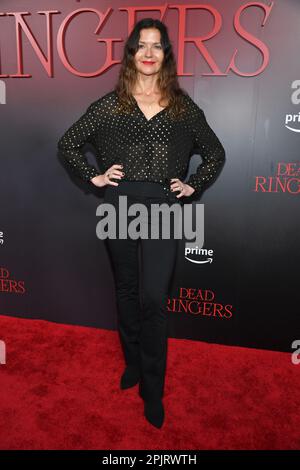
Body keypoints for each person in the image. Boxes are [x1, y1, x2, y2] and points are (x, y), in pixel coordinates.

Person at [57, 18, 226, 429]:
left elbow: (215, 153)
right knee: (128, 290)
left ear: (166, 54)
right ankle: (132, 361)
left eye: (156, 46)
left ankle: (153, 386)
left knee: (154, 298)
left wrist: (192, 186)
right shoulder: (110, 105)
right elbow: (68, 143)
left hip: (164, 207)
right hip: (120, 205)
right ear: (131, 53)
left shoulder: (183, 107)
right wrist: (94, 176)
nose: (149, 53)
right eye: (141, 46)